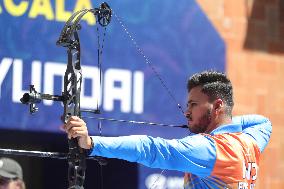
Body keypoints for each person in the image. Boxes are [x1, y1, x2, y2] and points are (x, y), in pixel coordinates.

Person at [64, 70, 272, 188]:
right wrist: (229, 125)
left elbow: (151, 148)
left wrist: (92, 144)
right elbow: (264, 123)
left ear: (217, 106)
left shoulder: (209, 150)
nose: (187, 112)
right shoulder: (249, 141)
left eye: (193, 105)